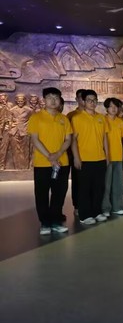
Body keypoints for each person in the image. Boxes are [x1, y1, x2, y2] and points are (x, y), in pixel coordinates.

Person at [28, 88, 72, 235]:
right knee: (42, 193)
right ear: (44, 100)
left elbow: (68, 139)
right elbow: (35, 139)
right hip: (43, 163)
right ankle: (45, 223)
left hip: (62, 162)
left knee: (59, 193)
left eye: (56, 97)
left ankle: (55, 221)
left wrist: (58, 154)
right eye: (50, 97)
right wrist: (50, 157)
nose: (53, 101)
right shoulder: (36, 117)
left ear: (60, 100)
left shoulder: (64, 119)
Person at [70, 90, 110, 225]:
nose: (92, 103)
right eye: (89, 100)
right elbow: (73, 140)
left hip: (100, 158)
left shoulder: (101, 118)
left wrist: (107, 156)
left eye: (94, 100)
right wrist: (76, 158)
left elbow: (104, 138)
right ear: (83, 101)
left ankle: (97, 212)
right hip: (84, 159)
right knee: (84, 188)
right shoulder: (77, 118)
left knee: (98, 188)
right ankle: (85, 215)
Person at [102, 98, 123, 216]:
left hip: (118, 156)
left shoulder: (120, 122)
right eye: (111, 106)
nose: (114, 109)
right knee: (106, 185)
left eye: (116, 106)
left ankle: (117, 207)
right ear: (106, 108)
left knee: (118, 184)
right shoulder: (102, 120)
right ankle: (105, 208)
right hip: (106, 157)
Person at [66, 89, 86, 216]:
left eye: (85, 98)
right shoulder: (71, 115)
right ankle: (77, 205)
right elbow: (69, 137)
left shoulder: (95, 116)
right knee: (78, 181)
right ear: (76, 99)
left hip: (91, 155)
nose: (83, 100)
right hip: (76, 154)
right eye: (80, 97)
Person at [8, 93, 33, 169]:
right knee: (15, 150)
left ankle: (25, 167)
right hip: (14, 132)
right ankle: (17, 167)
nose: (20, 102)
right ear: (16, 101)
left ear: (24, 101)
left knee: (25, 150)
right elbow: (9, 121)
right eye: (18, 101)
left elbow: (32, 120)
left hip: (25, 131)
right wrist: (11, 125)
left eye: (21, 101)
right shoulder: (12, 110)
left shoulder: (29, 110)